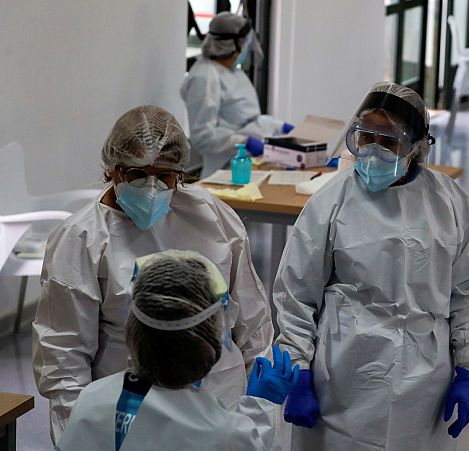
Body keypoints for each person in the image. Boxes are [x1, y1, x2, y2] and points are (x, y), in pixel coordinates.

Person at [32, 105, 273, 444]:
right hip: (130, 416)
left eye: (164, 176)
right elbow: (63, 353)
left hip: (221, 398)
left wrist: (258, 388)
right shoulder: (81, 238)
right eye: (136, 174)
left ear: (180, 174)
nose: (151, 187)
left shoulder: (212, 216)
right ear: (112, 170)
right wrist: (83, 433)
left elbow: (251, 317)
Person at [272, 82, 469, 450]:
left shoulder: (451, 204)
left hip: (425, 380)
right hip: (342, 374)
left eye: (388, 140)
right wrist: (298, 370)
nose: (373, 150)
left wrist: (468, 367)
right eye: (365, 136)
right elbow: (296, 295)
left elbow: (468, 291)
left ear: (417, 146)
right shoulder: (330, 202)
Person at [56, 251, 298, 450]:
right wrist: (260, 408)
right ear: (210, 340)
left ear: (133, 330)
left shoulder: (91, 402)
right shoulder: (224, 432)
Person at [180, 12, 292, 177]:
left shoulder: (233, 72)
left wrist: (279, 126)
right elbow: (203, 136)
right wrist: (244, 142)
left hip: (250, 165)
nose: (248, 48)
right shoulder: (204, 77)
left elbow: (249, 119)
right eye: (245, 43)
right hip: (223, 171)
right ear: (232, 45)